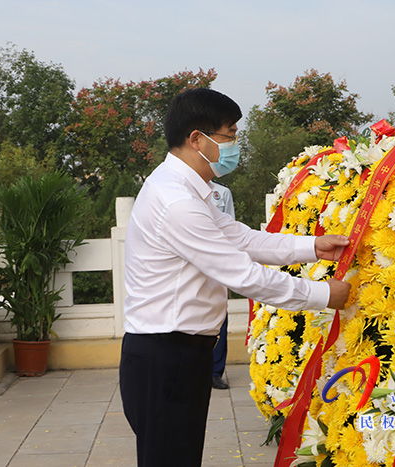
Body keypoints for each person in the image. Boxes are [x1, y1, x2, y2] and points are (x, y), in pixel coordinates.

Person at [119, 88, 351, 467]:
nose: (235, 145)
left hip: (177, 354)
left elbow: (240, 237)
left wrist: (313, 246)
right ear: (198, 139)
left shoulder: (188, 190)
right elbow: (242, 275)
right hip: (167, 356)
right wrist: (323, 294)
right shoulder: (177, 202)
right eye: (229, 135)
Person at [209, 181, 234, 390]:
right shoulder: (180, 189)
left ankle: (215, 372)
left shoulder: (222, 192)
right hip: (188, 262)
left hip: (217, 264)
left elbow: (231, 228)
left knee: (220, 318)